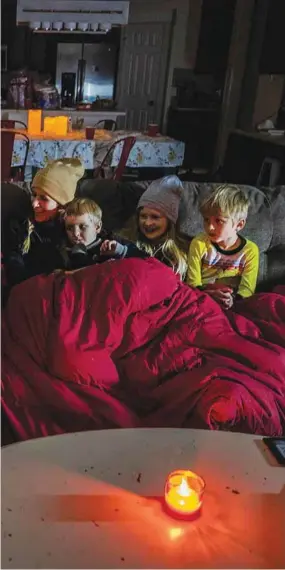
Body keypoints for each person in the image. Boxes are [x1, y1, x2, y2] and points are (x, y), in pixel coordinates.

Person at [3, 158, 85, 287]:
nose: (34, 203)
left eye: (43, 198)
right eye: (34, 194)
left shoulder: (72, 231)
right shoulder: (21, 225)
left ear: (61, 205)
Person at [101, 175, 188, 280]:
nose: (147, 223)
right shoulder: (123, 241)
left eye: (155, 217)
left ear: (170, 221)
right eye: (143, 216)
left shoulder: (179, 254)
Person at [187, 184, 259, 309]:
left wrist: (232, 301)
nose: (210, 227)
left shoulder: (250, 251)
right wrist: (209, 295)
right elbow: (193, 283)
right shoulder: (199, 243)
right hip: (203, 298)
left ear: (239, 225)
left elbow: (247, 289)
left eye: (219, 221)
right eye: (206, 220)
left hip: (233, 302)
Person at [59, 197, 144, 270]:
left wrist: (121, 251)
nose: (76, 233)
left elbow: (146, 261)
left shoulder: (113, 244)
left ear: (97, 227)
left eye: (83, 227)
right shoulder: (61, 250)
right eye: (69, 228)